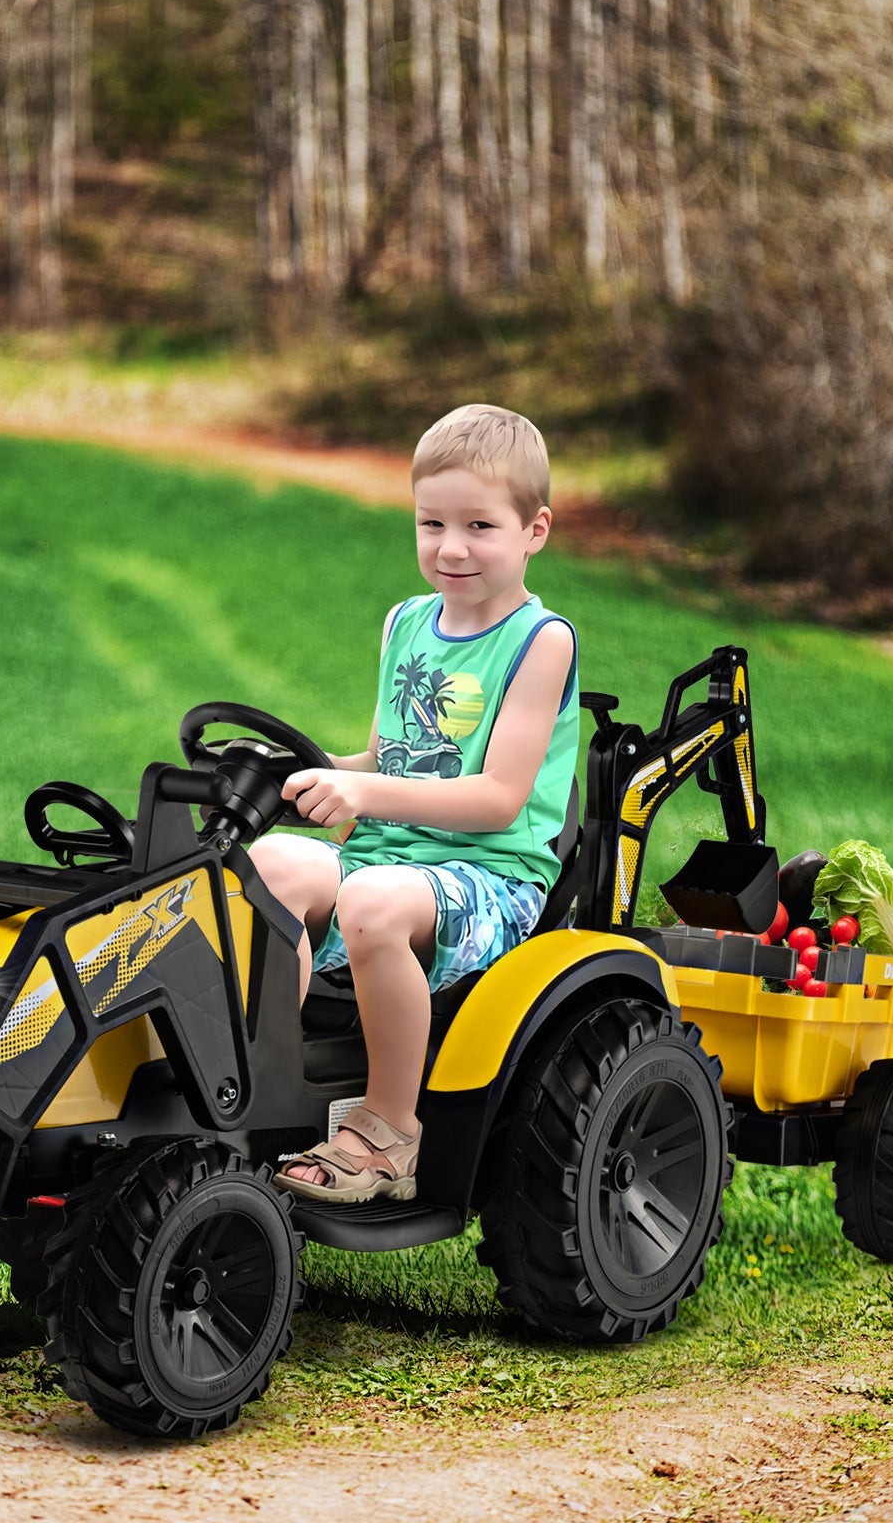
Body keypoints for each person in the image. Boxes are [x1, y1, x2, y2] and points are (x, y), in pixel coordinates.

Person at [252, 403, 579, 1204]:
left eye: (479, 526)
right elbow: (383, 758)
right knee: (266, 867)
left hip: (490, 880)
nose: (451, 547)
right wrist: (304, 771)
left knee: (370, 900)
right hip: (384, 858)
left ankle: (389, 1132)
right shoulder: (406, 622)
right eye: (432, 523)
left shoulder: (541, 641)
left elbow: (499, 798)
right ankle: (257, 1088)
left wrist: (362, 790)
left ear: (534, 530)